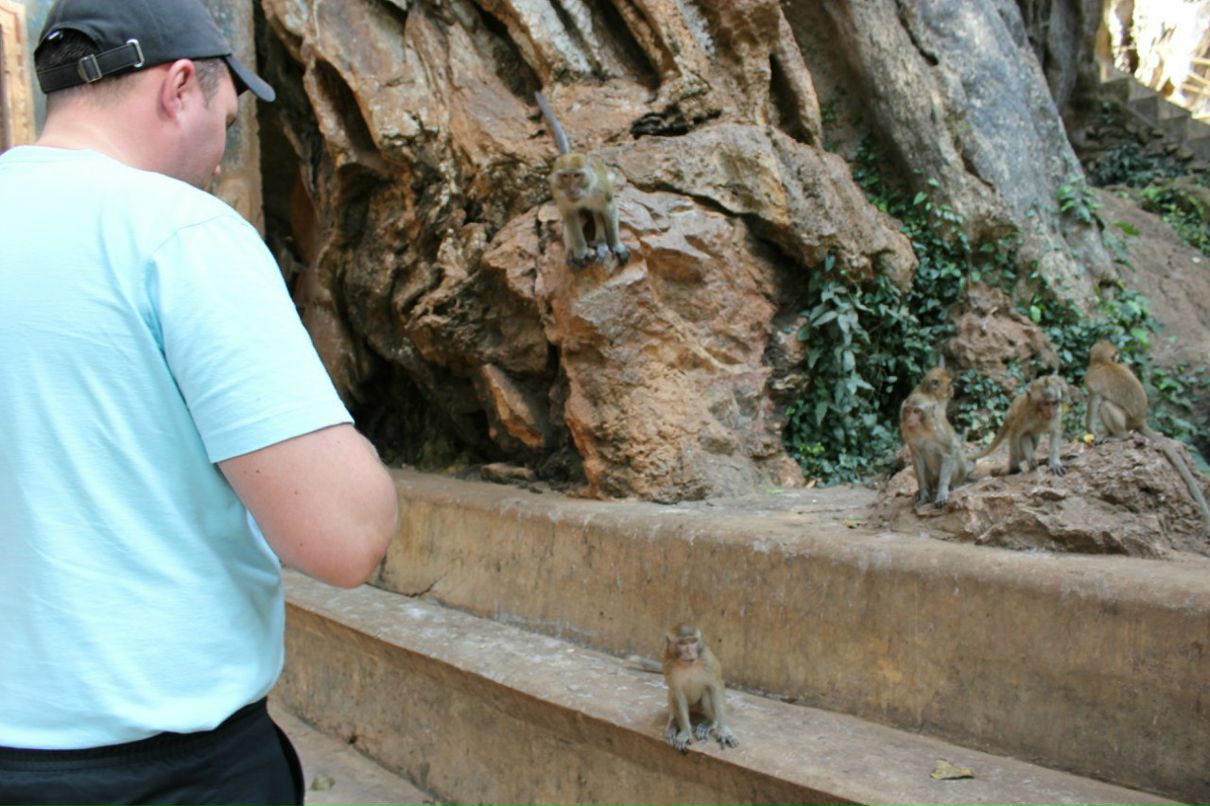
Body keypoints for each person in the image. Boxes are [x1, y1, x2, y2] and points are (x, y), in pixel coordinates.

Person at [0, 0, 399, 803]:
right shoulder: (178, 233)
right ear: (180, 86)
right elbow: (345, 537)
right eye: (229, 120)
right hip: (163, 770)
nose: (221, 155)